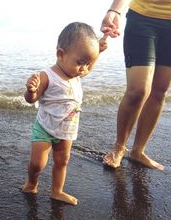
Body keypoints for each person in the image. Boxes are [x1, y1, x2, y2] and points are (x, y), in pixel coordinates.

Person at [22, 22, 108, 205]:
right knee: (38, 163)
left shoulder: (76, 73)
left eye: (88, 64)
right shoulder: (47, 76)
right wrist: (31, 90)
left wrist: (98, 51)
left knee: (62, 161)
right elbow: (32, 99)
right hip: (45, 128)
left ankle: (57, 191)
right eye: (81, 63)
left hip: (67, 130)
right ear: (61, 54)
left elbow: (88, 64)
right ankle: (31, 183)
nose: (85, 69)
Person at [100, 0, 171, 171]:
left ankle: (138, 151)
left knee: (159, 91)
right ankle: (119, 147)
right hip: (143, 19)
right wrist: (114, 10)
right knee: (138, 90)